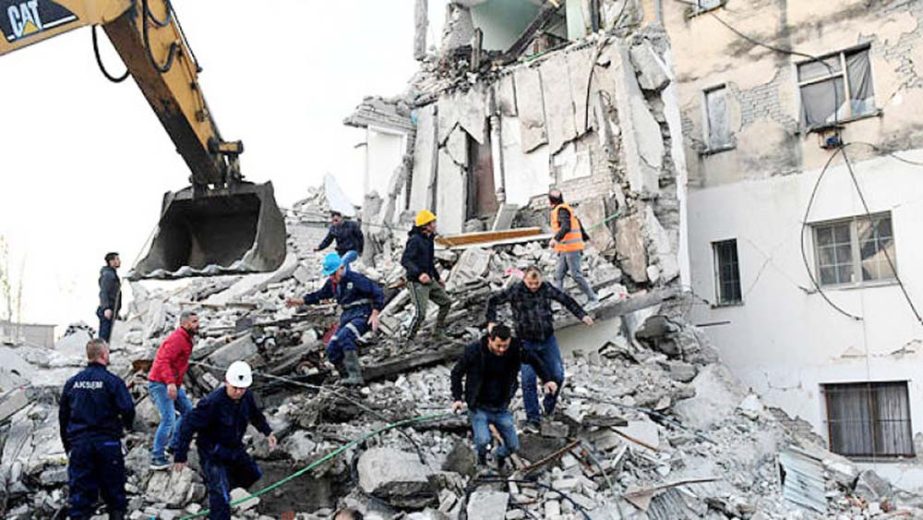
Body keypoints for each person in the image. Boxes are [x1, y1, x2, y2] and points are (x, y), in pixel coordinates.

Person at [486, 266, 593, 432]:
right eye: (531, 283)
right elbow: (493, 300)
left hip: (547, 340)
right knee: (528, 381)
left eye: (536, 283)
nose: (534, 286)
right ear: (524, 280)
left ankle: (548, 406)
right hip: (525, 343)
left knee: (557, 375)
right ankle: (533, 419)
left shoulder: (546, 288)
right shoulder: (516, 291)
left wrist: (582, 314)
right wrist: (491, 321)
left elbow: (565, 300)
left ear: (541, 279)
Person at [174, 361, 277, 520]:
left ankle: (222, 490)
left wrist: (268, 432)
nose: (238, 391)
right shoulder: (212, 403)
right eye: (234, 387)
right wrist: (180, 455)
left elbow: (256, 416)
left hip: (234, 448)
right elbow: (188, 424)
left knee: (253, 473)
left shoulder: (246, 397)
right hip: (212, 453)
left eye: (241, 388)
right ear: (227, 382)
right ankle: (219, 502)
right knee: (220, 496)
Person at [451, 324, 557, 473]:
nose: (502, 350)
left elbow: (534, 359)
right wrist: (457, 398)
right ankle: (481, 459)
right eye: (498, 345)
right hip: (479, 406)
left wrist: (547, 379)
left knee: (513, 446)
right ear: (490, 340)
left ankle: (498, 456)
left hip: (501, 407)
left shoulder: (515, 349)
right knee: (483, 440)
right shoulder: (475, 351)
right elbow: (456, 373)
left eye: (505, 346)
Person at [59, 338, 135, 520]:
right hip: (107, 443)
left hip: (80, 444)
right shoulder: (113, 382)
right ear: (104, 355)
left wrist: (68, 445)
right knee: (115, 493)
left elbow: (63, 417)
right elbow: (128, 409)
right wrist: (127, 427)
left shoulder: (72, 383)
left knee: (80, 496)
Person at [286, 252, 383, 385]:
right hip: (347, 315)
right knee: (332, 347)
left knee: (345, 336)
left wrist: (375, 312)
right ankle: (345, 376)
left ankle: (356, 376)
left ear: (341, 268)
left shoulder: (355, 279)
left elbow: (377, 292)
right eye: (330, 275)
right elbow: (319, 295)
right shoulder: (332, 284)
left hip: (362, 314)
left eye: (333, 273)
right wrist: (299, 301)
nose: (332, 277)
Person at [147, 311, 199, 469]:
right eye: (194, 322)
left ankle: (174, 445)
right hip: (160, 383)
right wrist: (170, 383)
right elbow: (163, 361)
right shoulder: (177, 339)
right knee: (168, 418)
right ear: (184, 324)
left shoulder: (187, 338)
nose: (198, 324)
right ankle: (157, 456)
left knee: (189, 412)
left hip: (172, 383)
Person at [401, 209, 451, 341]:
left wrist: (438, 278)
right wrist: (419, 274)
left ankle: (438, 332)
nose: (435, 224)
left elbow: (429, 261)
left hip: (429, 280)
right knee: (420, 314)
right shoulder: (415, 240)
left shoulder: (428, 240)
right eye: (433, 222)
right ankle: (408, 339)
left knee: (446, 302)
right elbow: (405, 260)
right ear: (426, 225)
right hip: (417, 282)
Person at [547, 189, 599, 307]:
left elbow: (566, 227)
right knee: (558, 275)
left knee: (576, 275)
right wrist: (587, 239)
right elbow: (578, 225)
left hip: (571, 249)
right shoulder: (565, 209)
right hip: (564, 249)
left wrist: (555, 239)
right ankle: (557, 303)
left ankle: (593, 298)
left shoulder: (562, 210)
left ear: (551, 202)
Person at [97, 252, 121, 342]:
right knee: (104, 337)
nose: (119, 261)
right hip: (108, 310)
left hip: (112, 309)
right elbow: (104, 292)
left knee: (108, 336)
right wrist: (106, 308)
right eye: (117, 259)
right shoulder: (108, 275)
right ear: (111, 261)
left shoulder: (112, 274)